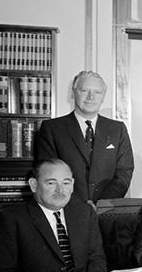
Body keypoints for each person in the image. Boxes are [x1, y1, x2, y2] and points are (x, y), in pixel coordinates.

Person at [0, 159, 107, 272]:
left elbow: (97, 259)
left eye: (66, 183)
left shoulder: (85, 213)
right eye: (51, 183)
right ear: (34, 185)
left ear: (73, 185)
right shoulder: (12, 219)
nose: (60, 190)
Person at [35, 70, 134, 204]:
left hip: (105, 210)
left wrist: (101, 204)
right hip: (67, 208)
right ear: (73, 92)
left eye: (97, 92)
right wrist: (77, 206)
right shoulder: (52, 129)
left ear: (103, 97)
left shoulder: (118, 129)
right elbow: (47, 172)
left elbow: (124, 172)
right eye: (84, 91)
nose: (90, 97)